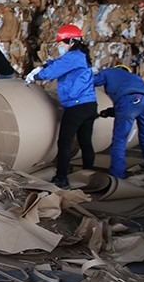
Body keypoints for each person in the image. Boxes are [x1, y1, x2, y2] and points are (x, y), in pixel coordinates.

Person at [26, 24, 96, 188]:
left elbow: (52, 72)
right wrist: (45, 65)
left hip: (76, 106)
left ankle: (61, 178)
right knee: (85, 142)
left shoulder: (72, 57)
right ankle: (89, 175)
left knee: (64, 142)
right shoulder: (80, 56)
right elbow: (57, 63)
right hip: (90, 105)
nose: (60, 46)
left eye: (62, 43)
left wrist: (36, 75)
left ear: (71, 41)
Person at [93, 65, 144, 179]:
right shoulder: (134, 77)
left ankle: (117, 174)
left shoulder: (109, 71)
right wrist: (109, 112)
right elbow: (129, 107)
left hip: (129, 99)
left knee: (120, 138)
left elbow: (92, 81)